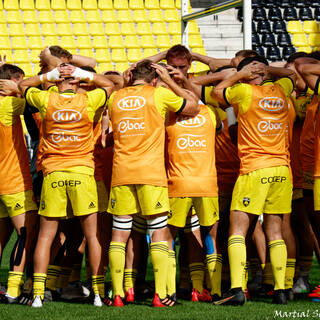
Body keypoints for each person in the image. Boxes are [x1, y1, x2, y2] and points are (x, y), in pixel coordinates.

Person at [18, 63, 114, 307]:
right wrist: (83, 74)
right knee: (92, 235)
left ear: (58, 82)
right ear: (78, 84)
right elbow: (110, 84)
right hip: (82, 173)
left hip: (53, 173)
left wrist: (48, 76)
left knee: (46, 236)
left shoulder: (47, 100)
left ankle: (38, 294)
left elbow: (22, 85)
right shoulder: (89, 101)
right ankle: (97, 293)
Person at [106, 59, 199, 307]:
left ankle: (117, 294)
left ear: (132, 75)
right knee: (158, 233)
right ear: (155, 78)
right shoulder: (159, 94)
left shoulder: (115, 98)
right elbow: (193, 108)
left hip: (122, 173)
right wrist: (170, 81)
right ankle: (161, 294)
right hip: (150, 173)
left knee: (119, 236)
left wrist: (124, 84)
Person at [211, 56, 296, 305]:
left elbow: (217, 93)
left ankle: (237, 289)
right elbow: (293, 76)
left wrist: (240, 75)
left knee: (237, 229)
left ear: (248, 72)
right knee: (275, 230)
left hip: (254, 168)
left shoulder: (244, 91)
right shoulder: (281, 89)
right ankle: (281, 290)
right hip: (281, 169)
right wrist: (268, 69)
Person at [0, 64, 38, 304]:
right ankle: (14, 290)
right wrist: (19, 90)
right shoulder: (8, 105)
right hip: (13, 181)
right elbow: (36, 104)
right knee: (26, 233)